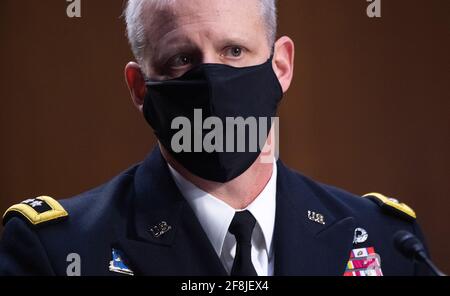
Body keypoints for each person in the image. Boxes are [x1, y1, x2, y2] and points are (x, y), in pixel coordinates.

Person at [0, 0, 431, 276]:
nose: (212, 80)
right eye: (182, 59)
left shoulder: (385, 241)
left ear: (281, 66)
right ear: (140, 88)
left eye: (234, 51)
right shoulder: (58, 253)